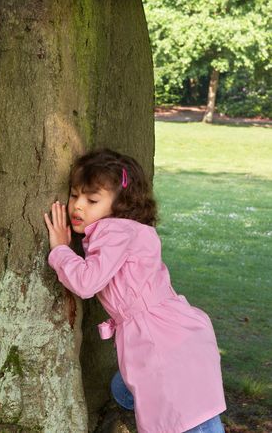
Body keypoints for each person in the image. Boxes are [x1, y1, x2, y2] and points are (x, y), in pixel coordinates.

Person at [44, 149, 227, 433]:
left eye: (91, 200)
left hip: (160, 341)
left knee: (189, 419)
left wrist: (60, 251)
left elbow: (86, 282)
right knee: (173, 404)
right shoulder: (126, 231)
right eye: (74, 195)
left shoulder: (115, 232)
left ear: (121, 205)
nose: (78, 206)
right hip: (172, 333)